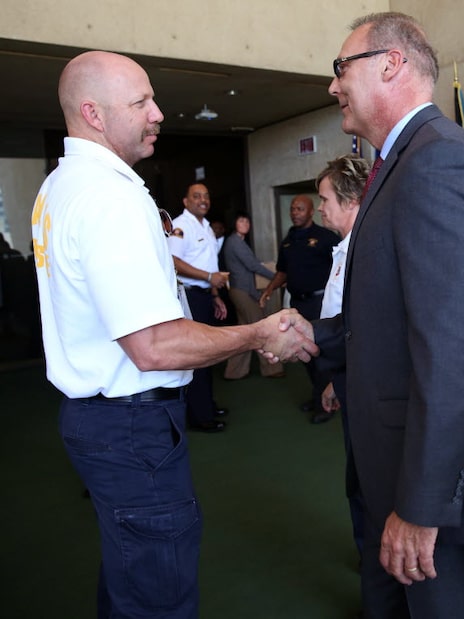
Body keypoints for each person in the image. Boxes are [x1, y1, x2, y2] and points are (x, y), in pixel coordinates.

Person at [30, 50, 317, 618]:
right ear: (93, 112)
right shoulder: (109, 197)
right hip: (131, 424)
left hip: (96, 419)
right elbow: (154, 346)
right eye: (140, 102)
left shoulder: (60, 186)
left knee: (129, 577)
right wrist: (256, 334)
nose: (158, 112)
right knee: (157, 596)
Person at [312, 13, 464, 618]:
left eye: (342, 68)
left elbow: (453, 352)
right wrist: (313, 339)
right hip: (394, 460)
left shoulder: (437, 163)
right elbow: (389, 317)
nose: (334, 85)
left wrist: (423, 507)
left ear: (389, 64)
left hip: (437, 481)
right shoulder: (401, 163)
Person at [315, 154, 371, 557]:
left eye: (324, 199)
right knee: (358, 479)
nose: (320, 208)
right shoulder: (343, 247)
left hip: (368, 387)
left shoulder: (364, 250)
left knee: (367, 483)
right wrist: (336, 378)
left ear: (350, 201)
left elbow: (357, 326)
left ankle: (377, 571)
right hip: (349, 377)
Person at [259, 194, 340, 419]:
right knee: (303, 351)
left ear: (311, 211)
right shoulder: (289, 239)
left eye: (300, 209)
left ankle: (324, 405)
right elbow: (282, 271)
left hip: (318, 303)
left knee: (320, 353)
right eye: (293, 209)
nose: (295, 212)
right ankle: (318, 394)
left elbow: (342, 266)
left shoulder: (326, 237)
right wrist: (269, 290)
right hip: (297, 303)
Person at [168, 182, 231, 432]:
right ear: (186, 202)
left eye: (206, 196)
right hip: (191, 297)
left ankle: (207, 405)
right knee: (198, 356)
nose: (203, 200)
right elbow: (173, 261)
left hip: (205, 296)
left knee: (208, 354)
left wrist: (215, 294)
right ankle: (200, 416)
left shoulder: (205, 225)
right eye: (196, 196)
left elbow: (209, 262)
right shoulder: (181, 226)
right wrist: (207, 278)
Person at [222, 211, 286, 380]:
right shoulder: (234, 242)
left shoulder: (239, 242)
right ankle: (272, 369)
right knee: (261, 329)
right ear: (234, 223)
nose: (245, 224)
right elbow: (253, 266)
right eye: (241, 220)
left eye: (247, 221)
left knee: (244, 333)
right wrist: (277, 278)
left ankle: (235, 372)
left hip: (243, 291)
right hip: (241, 292)